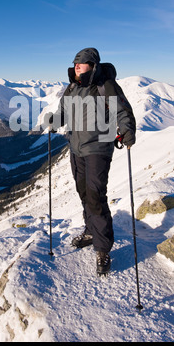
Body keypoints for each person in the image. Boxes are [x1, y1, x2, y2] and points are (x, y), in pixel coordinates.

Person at [46, 48, 136, 274]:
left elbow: (122, 110)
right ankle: (91, 230)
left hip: (98, 148)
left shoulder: (105, 85)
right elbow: (63, 112)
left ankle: (103, 249)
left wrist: (126, 129)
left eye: (82, 63)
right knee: (84, 193)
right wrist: (54, 121)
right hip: (76, 148)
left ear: (93, 65)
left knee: (96, 195)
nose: (77, 66)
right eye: (75, 63)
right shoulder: (73, 87)